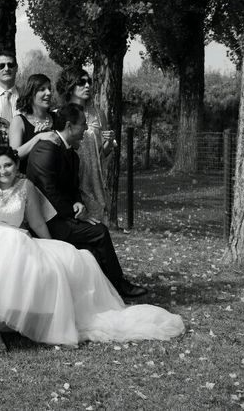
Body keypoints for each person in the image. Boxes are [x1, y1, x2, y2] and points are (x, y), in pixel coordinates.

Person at [0, 146, 184, 352]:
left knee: (56, 261)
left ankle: (5, 323)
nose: (3, 171)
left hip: (17, 240)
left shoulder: (26, 187)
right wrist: (6, 230)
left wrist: (50, 242)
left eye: (8, 165)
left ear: (16, 165)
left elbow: (36, 222)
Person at [26, 104, 147, 297]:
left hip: (62, 215)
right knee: (100, 232)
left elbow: (73, 187)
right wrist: (74, 215)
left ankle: (106, 289)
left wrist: (78, 204)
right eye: (83, 124)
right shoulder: (46, 149)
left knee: (94, 241)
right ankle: (119, 285)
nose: (86, 129)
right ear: (69, 126)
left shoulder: (71, 152)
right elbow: (48, 190)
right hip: (47, 221)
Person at [56, 67, 115, 222]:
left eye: (89, 81)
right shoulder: (59, 114)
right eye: (81, 82)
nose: (87, 85)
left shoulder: (98, 114)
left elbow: (102, 153)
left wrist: (109, 142)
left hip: (93, 179)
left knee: (98, 226)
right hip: (71, 179)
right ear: (69, 86)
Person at [8, 73, 58, 173]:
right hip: (29, 179)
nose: (48, 93)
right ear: (31, 94)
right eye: (42, 89)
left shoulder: (57, 118)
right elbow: (14, 155)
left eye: (49, 89)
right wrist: (38, 137)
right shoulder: (19, 121)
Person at [0, 50, 20, 123]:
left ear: (16, 68)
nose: (6, 69)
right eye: (1, 66)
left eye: (10, 65)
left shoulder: (27, 96)